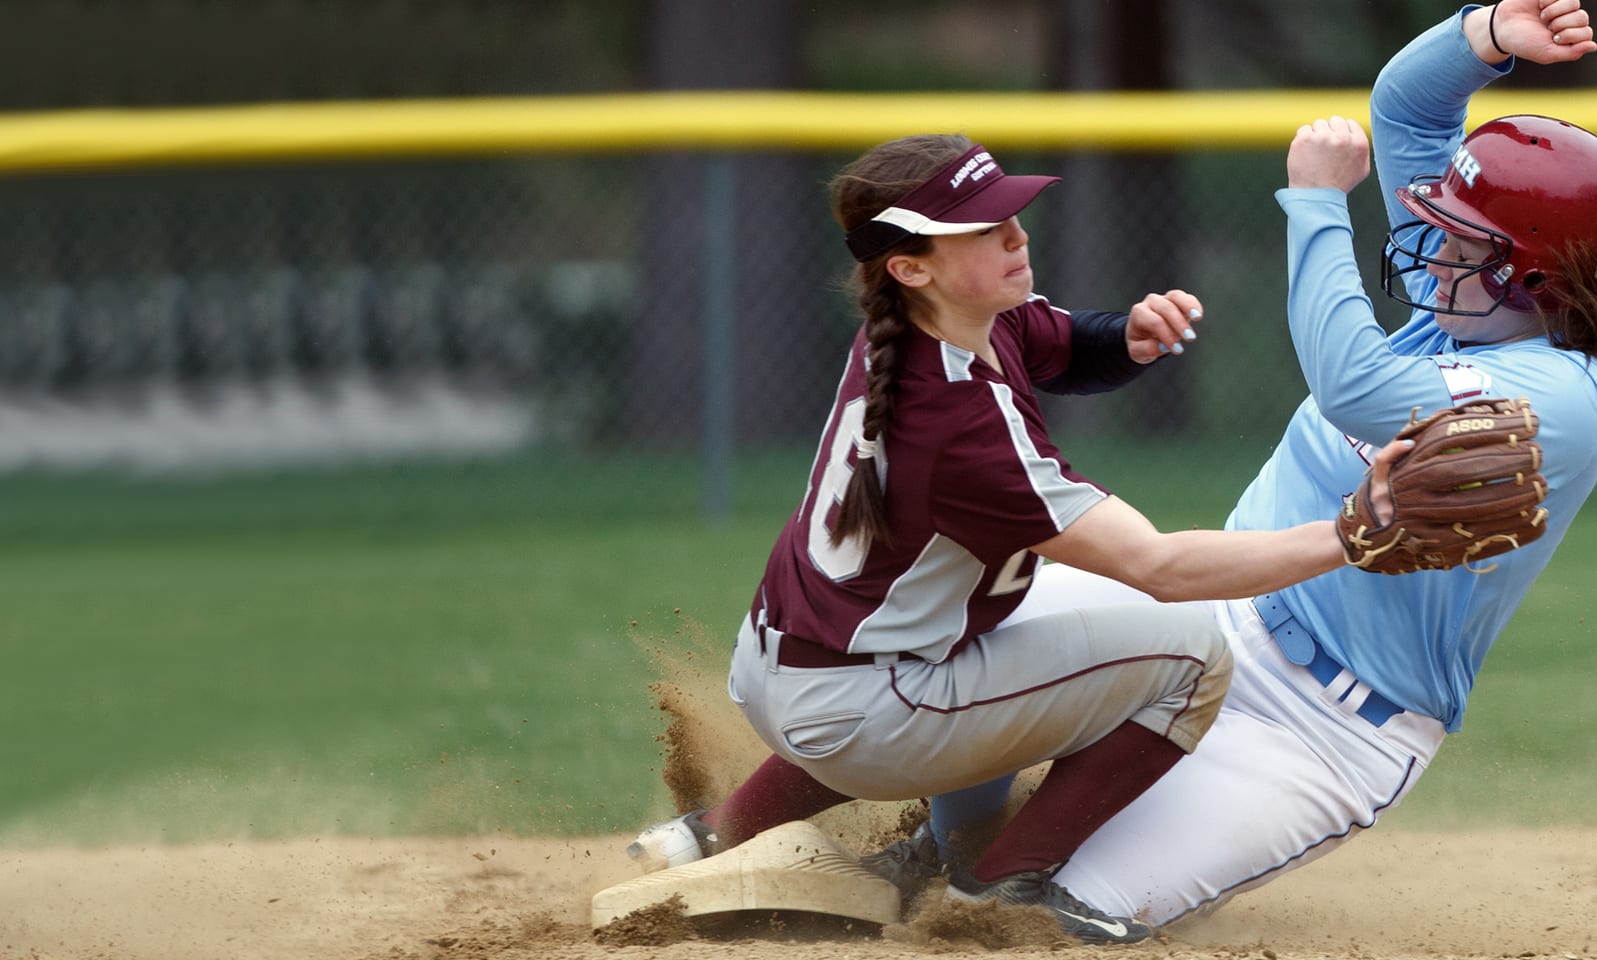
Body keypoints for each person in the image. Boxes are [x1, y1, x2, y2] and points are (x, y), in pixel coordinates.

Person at [864, 0, 1597, 926]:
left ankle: (1001, 863)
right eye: (1437, 220)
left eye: (1461, 239)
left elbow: (1353, 383)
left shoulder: (1566, 398)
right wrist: (1485, 33)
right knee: (952, 673)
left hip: (1320, 727)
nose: (1430, 248)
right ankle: (884, 841)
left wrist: (1316, 201)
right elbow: (1403, 108)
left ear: (1537, 279)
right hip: (1201, 622)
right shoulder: (1466, 303)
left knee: (1052, 918)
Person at [620, 133, 1468, 944]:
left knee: (1026, 623)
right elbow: (1161, 568)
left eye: (1012, 215)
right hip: (860, 710)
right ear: (911, 266)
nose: (1018, 237)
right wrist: (1356, 533)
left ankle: (712, 835)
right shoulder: (957, 426)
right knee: (1189, 653)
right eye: (985, 230)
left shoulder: (933, 326)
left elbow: (1058, 343)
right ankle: (997, 886)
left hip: (801, 666)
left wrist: (1127, 336)